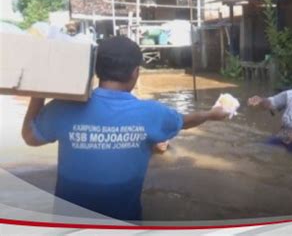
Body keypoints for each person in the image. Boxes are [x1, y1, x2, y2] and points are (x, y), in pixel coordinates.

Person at [21, 36, 229, 220]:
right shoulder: (152, 113)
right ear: (135, 72)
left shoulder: (63, 107)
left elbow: (29, 136)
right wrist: (211, 114)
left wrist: (38, 93)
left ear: (96, 70)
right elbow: (186, 121)